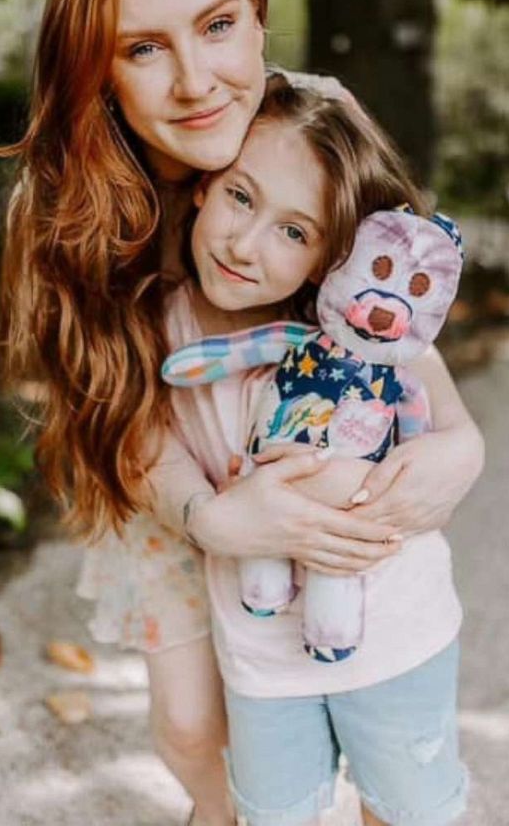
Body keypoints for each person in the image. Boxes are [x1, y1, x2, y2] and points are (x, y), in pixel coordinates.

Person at [0, 0, 484, 826]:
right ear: (96, 71)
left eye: (218, 26)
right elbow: (116, 418)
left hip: (302, 443)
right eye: (142, 48)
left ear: (258, 18)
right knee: (187, 723)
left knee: (368, 689)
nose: (196, 80)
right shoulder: (73, 214)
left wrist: (458, 445)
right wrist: (217, 521)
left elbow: (391, 321)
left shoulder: (317, 122)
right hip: (160, 475)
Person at [162, 74, 469, 826]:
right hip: (260, 643)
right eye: (241, 197)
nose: (244, 242)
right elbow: (151, 445)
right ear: (205, 184)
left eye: (295, 232)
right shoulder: (164, 323)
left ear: (338, 257)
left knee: (405, 806)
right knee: (277, 810)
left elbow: (458, 431)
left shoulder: (373, 340)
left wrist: (455, 459)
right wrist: (211, 517)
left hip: (395, 628)